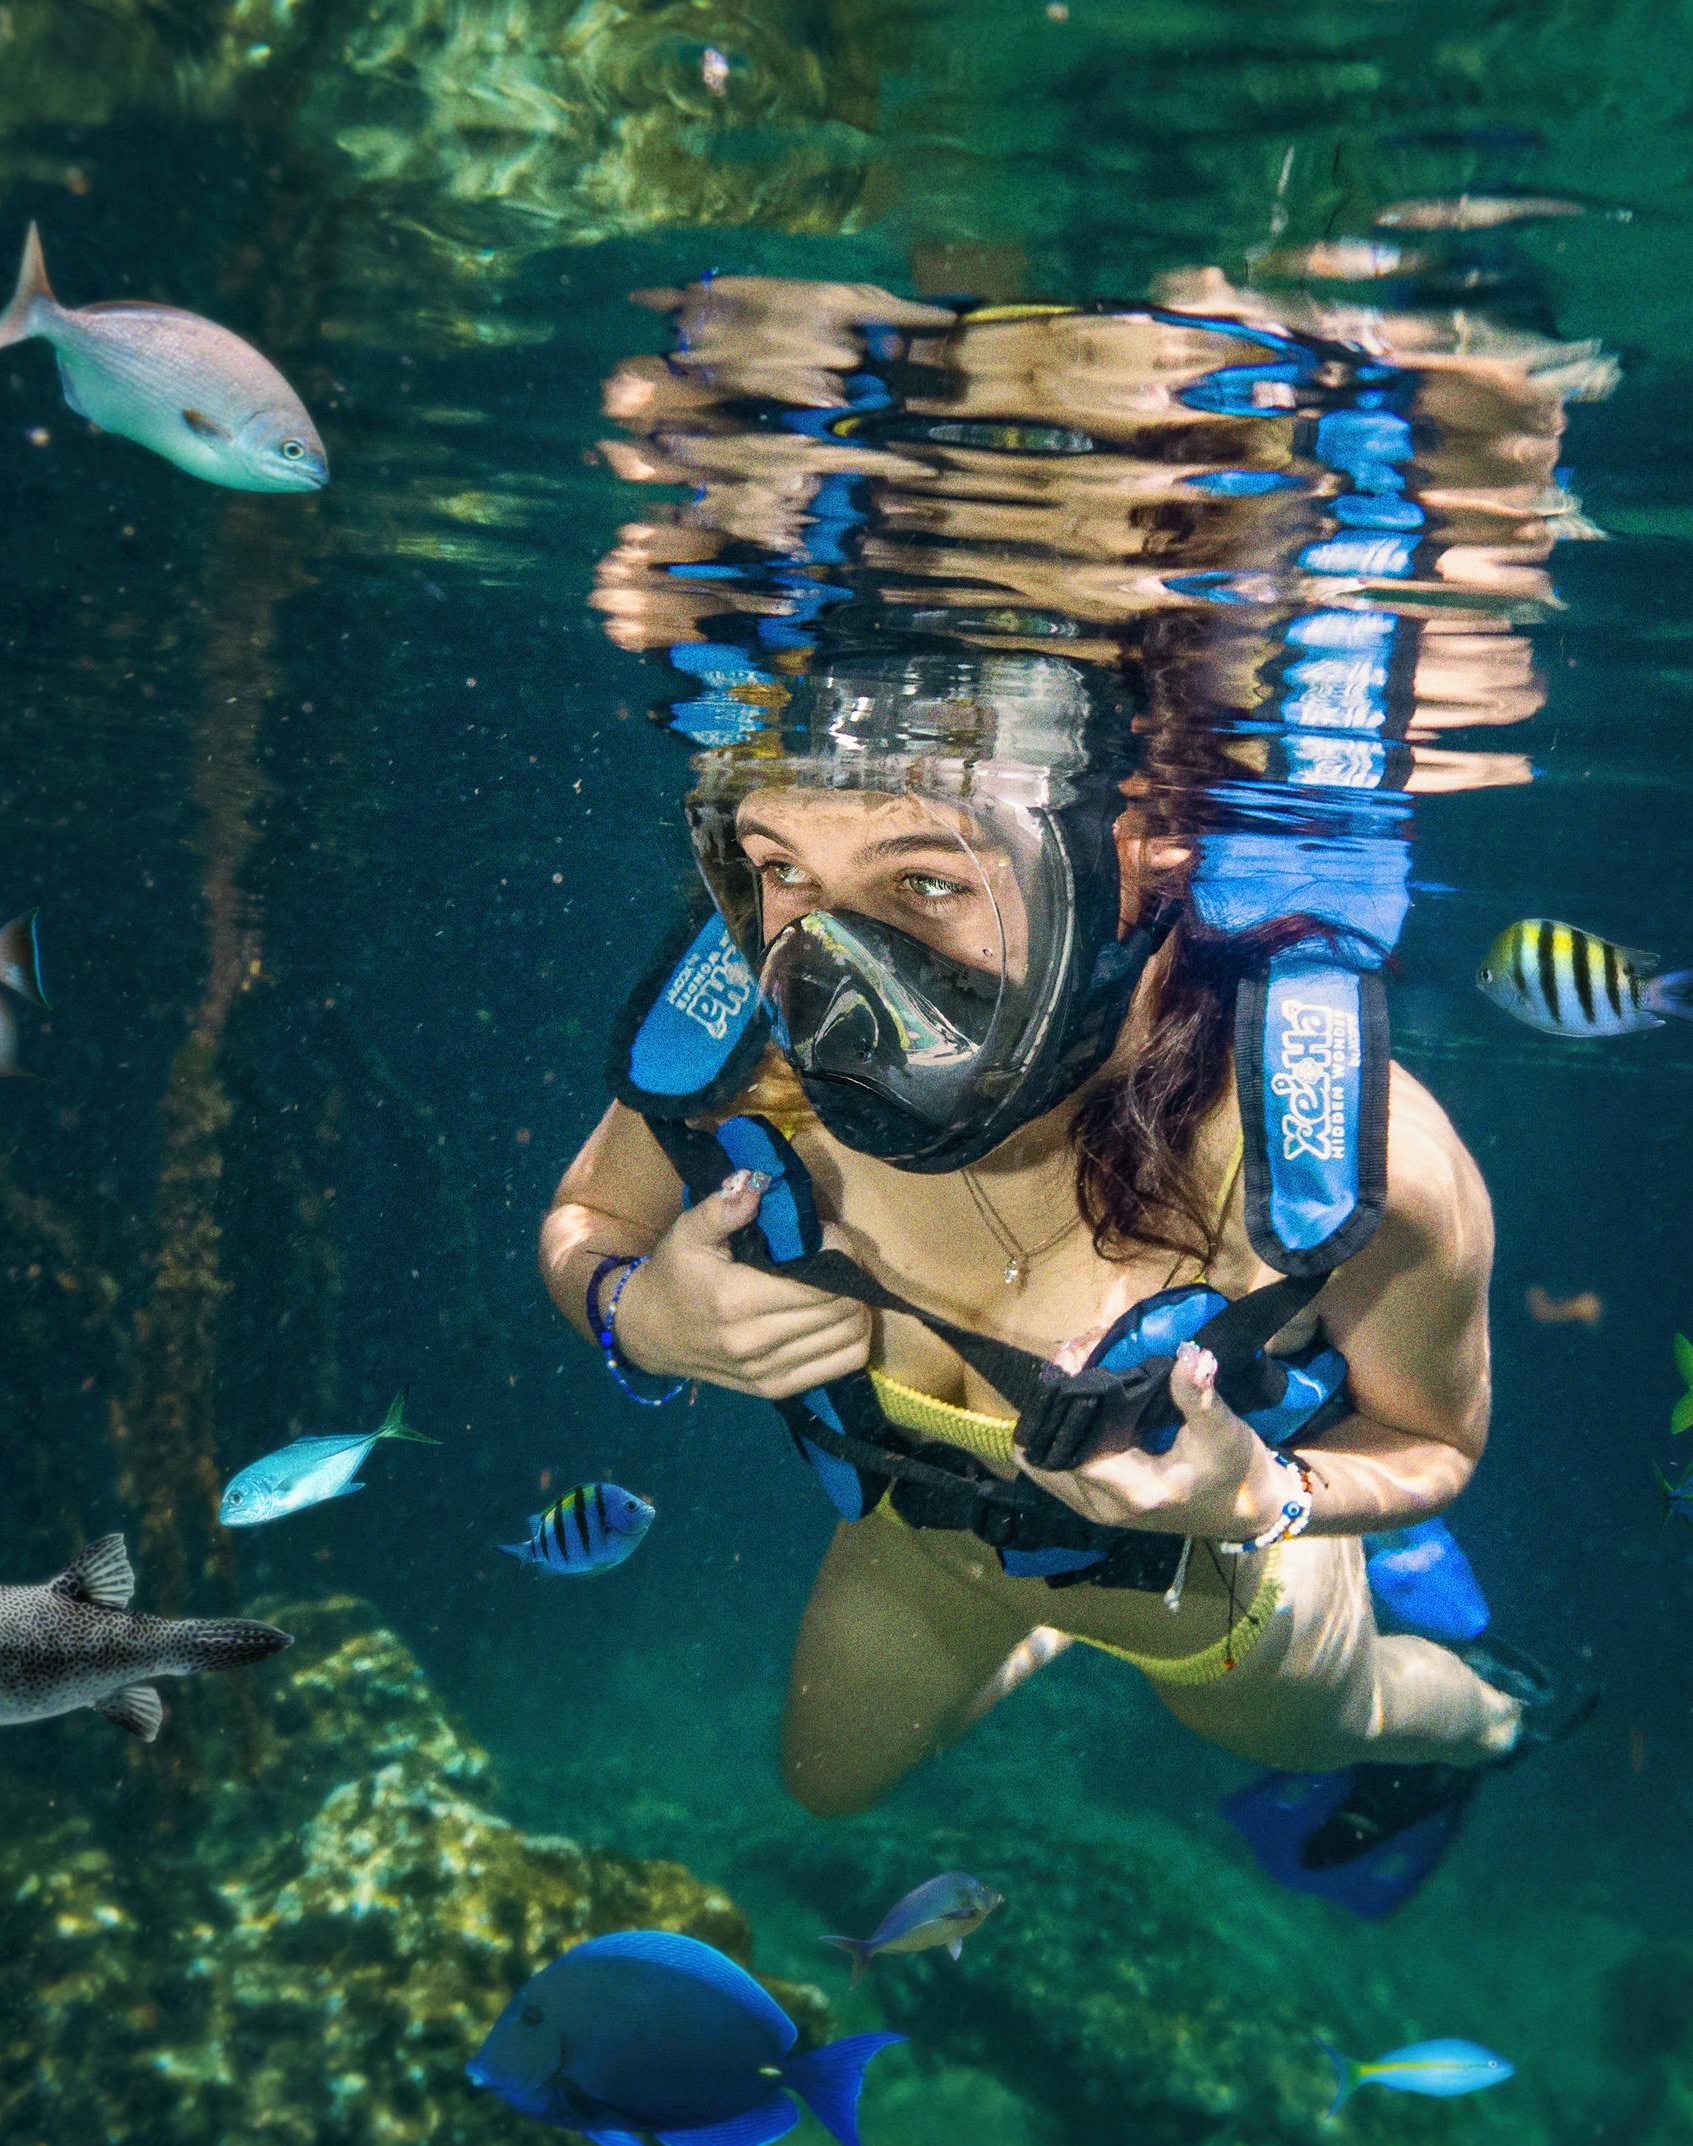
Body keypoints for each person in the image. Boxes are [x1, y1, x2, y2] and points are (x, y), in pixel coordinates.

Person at [539, 653, 1590, 1911]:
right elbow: (593, 1217)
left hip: (1226, 1600)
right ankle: (1042, 1611)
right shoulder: (741, 1049)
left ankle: (1499, 1714)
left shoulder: (1350, 1159)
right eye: (781, 873)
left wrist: (1268, 1494)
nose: (830, 974)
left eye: (927, 880)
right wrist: (630, 1311)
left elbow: (1433, 1437)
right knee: (822, 1781)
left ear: (1131, 857)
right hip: (923, 1540)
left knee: (1349, 1718)